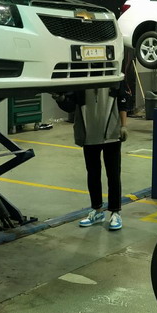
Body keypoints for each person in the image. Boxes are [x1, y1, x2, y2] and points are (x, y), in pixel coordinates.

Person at [56, 82, 128, 230]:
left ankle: (115, 212)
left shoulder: (114, 78)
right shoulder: (82, 80)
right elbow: (70, 106)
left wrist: (123, 125)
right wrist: (60, 98)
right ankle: (97, 210)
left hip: (111, 134)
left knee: (113, 174)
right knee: (93, 174)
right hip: (89, 135)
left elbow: (123, 101)